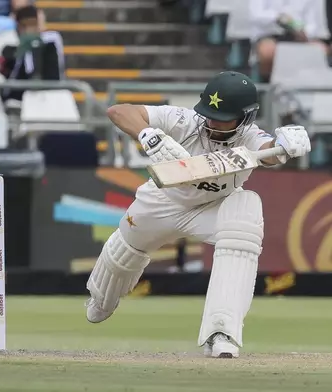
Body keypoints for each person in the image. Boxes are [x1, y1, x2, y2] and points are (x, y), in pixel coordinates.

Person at [85, 71, 311, 358]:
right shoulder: (183, 119)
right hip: (160, 201)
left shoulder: (251, 137)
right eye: (210, 114)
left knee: (246, 209)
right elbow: (118, 111)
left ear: (244, 117)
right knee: (123, 256)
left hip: (210, 208)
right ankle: (102, 298)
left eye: (223, 117)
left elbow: (271, 153)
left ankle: (222, 331)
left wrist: (286, 145)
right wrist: (148, 135)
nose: (213, 123)